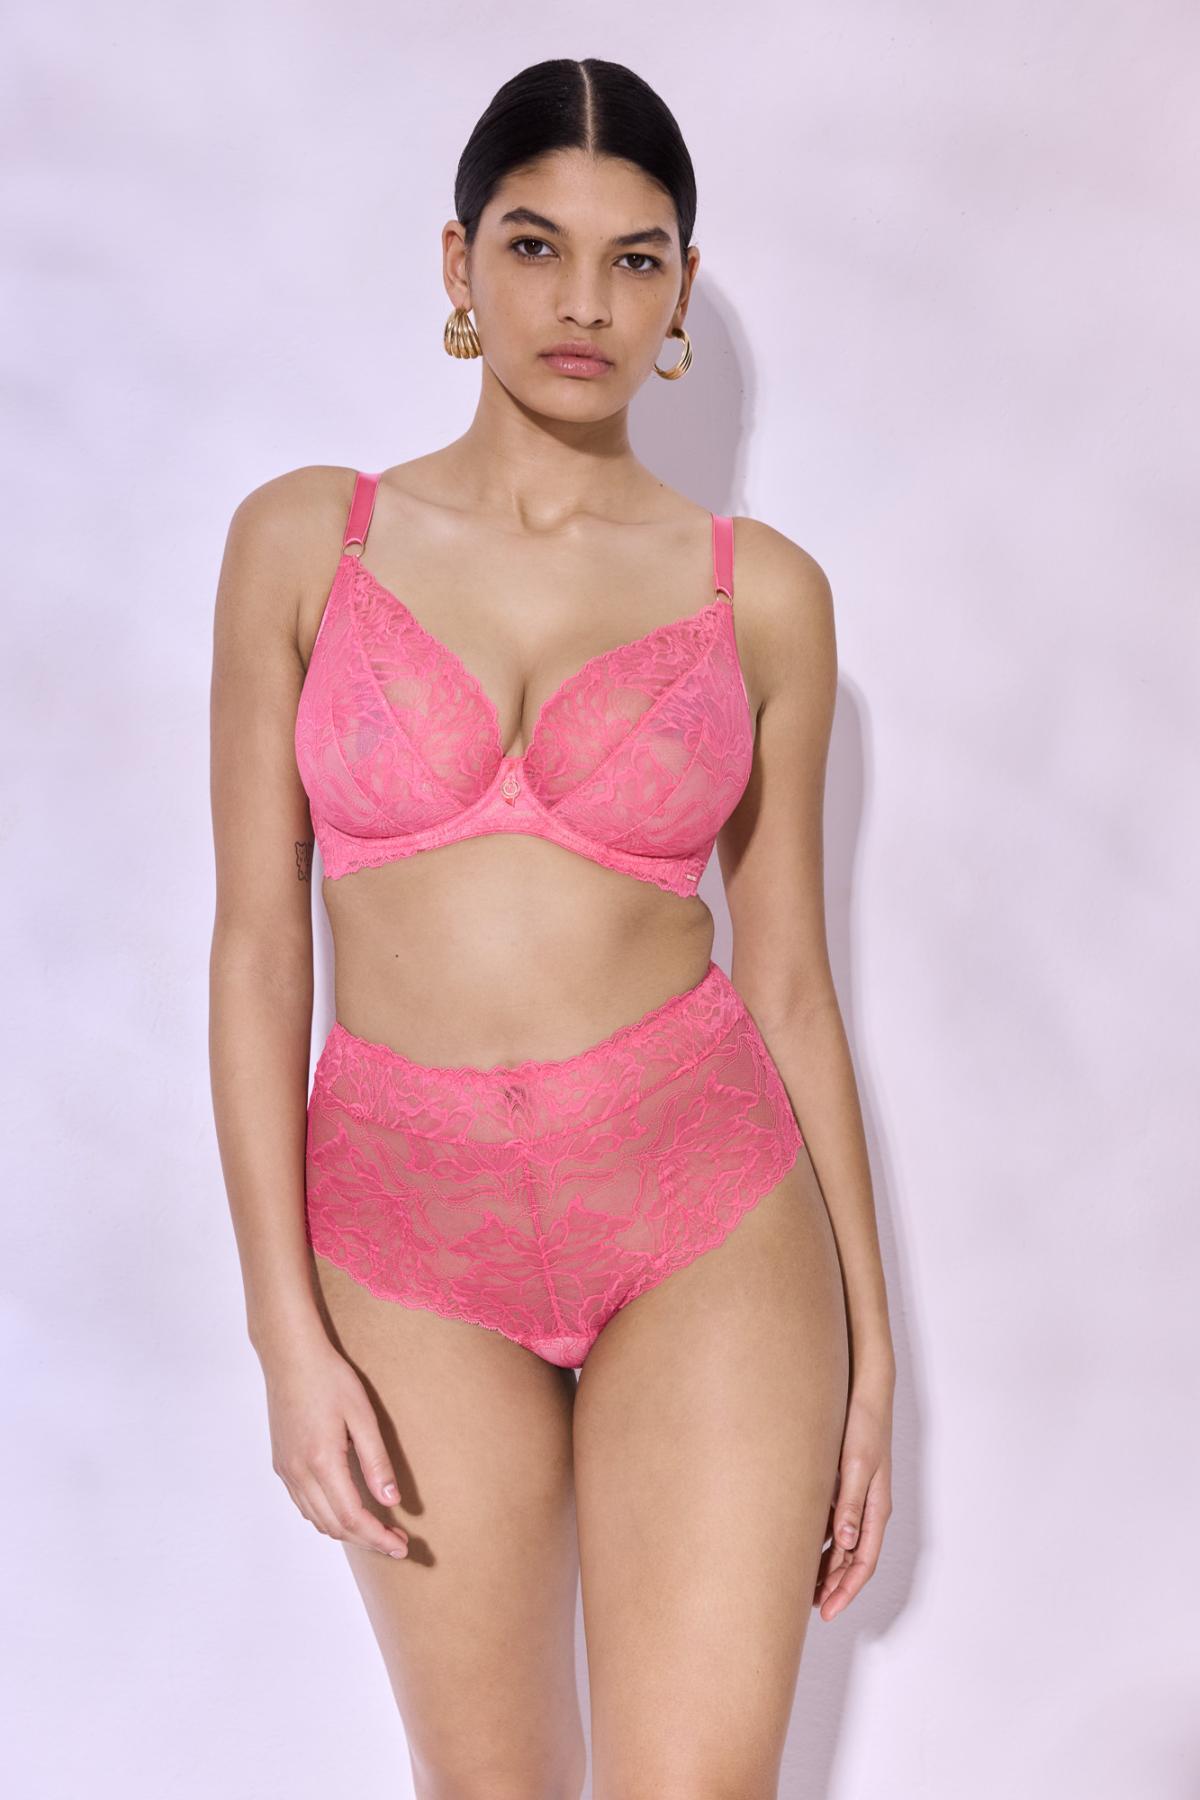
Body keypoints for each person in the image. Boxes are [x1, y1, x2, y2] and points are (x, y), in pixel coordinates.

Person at [208, 54, 894, 1800]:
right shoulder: (306, 543)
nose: (584, 302)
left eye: (635, 259)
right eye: (535, 246)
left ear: (680, 290)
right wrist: (284, 1331)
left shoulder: (761, 593)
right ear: (459, 265)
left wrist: (876, 1359)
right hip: (401, 1235)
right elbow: (257, 949)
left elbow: (793, 985)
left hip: (705, 1216)